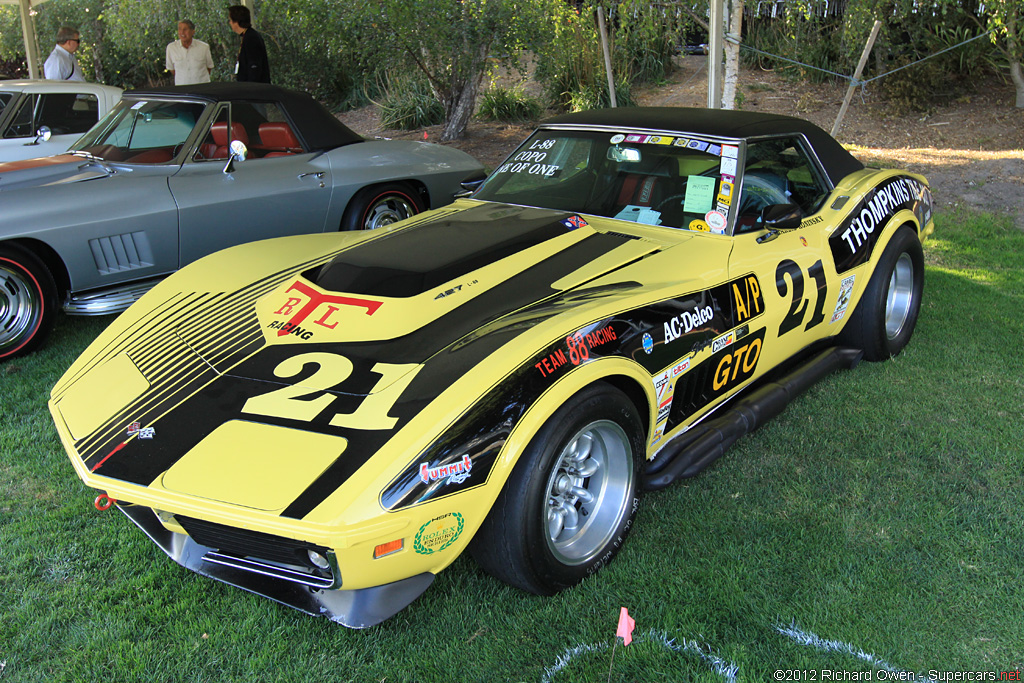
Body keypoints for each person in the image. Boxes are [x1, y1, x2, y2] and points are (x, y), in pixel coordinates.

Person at [228, 5, 270, 83]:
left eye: (230, 20)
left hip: (254, 90)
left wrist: (250, 87)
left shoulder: (251, 38)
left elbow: (254, 67)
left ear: (236, 21)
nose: (230, 23)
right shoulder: (247, 36)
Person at [165, 20, 214, 85]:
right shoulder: (171, 48)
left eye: (185, 29)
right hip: (182, 90)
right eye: (179, 29)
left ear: (193, 32)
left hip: (202, 88)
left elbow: (209, 67)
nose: (182, 32)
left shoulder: (204, 47)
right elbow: (171, 69)